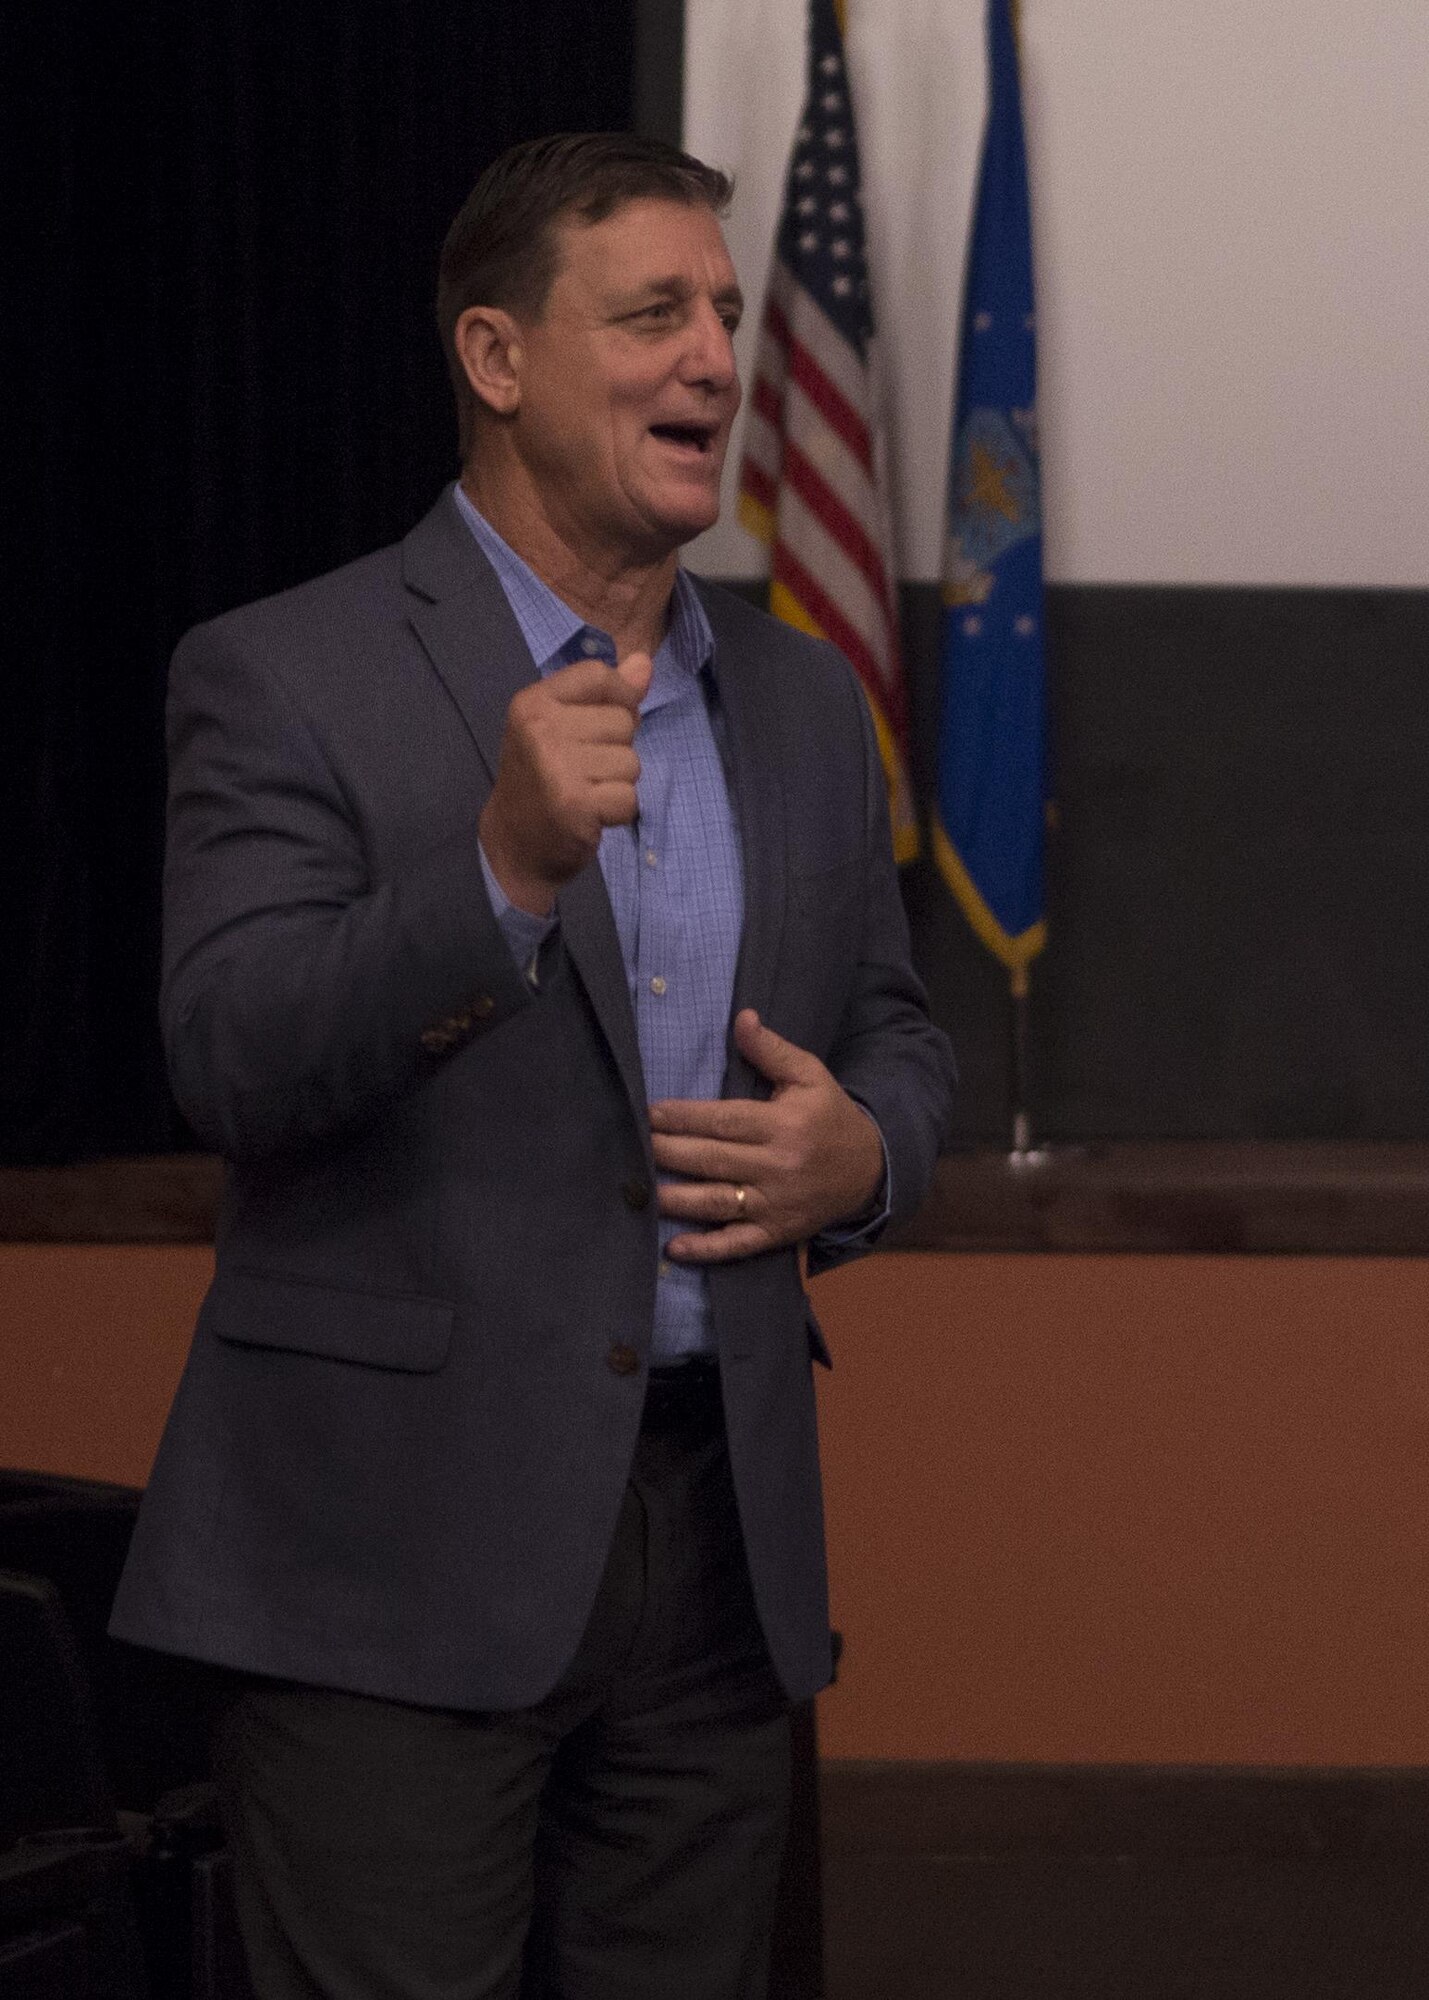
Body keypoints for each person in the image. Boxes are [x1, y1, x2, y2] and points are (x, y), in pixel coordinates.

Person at [111, 131, 955, 2000]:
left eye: (727, 317)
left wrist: (864, 1162)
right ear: (496, 361)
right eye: (652, 314)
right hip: (386, 1569)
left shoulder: (805, 700)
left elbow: (894, 1032)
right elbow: (229, 1058)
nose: (717, 365)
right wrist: (493, 875)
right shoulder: (282, 671)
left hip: (716, 1562)